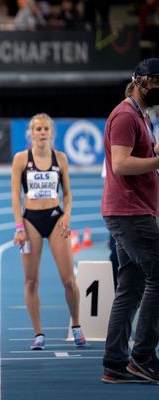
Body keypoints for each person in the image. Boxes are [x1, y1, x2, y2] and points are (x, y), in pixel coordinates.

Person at [100, 58, 159, 384]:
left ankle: (115, 363)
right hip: (129, 212)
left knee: (131, 287)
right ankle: (143, 356)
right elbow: (121, 164)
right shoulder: (125, 116)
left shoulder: (140, 115)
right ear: (140, 81)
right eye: (156, 82)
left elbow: (141, 154)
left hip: (132, 210)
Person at [11, 113, 87, 351]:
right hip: (30, 221)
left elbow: (67, 194)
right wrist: (19, 227)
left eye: (46, 129)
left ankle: (76, 325)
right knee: (31, 281)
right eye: (38, 129)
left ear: (51, 133)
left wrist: (67, 215)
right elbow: (15, 196)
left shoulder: (60, 158)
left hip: (55, 219)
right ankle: (38, 333)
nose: (42, 133)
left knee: (68, 279)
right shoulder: (21, 159)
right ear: (30, 133)